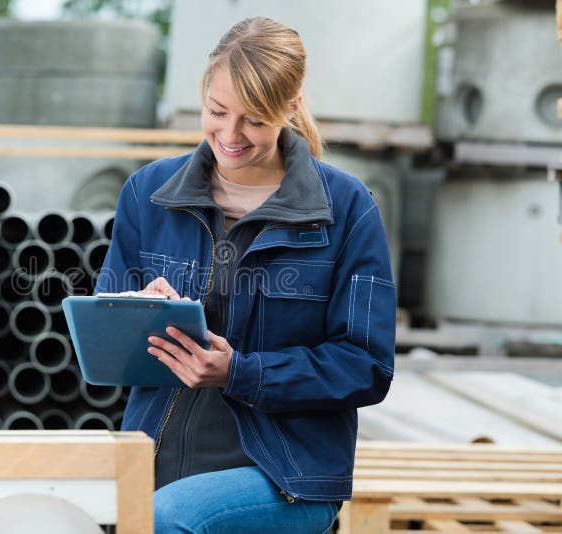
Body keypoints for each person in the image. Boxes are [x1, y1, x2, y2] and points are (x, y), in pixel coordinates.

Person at [95, 16, 396, 534]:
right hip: (154, 459)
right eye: (217, 112)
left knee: (168, 520)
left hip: (286, 473)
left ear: (292, 107)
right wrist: (137, 309)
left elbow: (366, 365)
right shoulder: (148, 192)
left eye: (254, 120)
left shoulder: (346, 210)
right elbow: (103, 330)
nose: (230, 135)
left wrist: (241, 373)